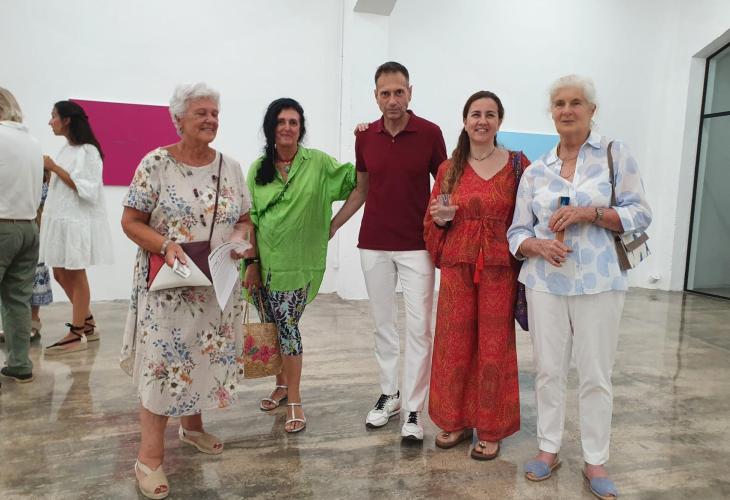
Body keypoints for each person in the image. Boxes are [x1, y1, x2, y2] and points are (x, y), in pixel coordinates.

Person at [507, 75, 651, 499]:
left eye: (575, 103)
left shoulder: (614, 154)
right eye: (559, 103)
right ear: (551, 112)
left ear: (591, 110)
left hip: (600, 282)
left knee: (595, 373)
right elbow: (516, 231)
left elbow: (640, 213)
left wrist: (591, 213)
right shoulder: (536, 170)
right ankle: (548, 448)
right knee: (548, 371)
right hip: (545, 283)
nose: (566, 110)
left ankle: (595, 459)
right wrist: (536, 245)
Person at [120, 83, 253, 499]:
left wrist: (241, 240)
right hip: (169, 285)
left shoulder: (231, 167)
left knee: (200, 356)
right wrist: (164, 244)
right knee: (163, 368)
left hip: (215, 284)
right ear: (178, 119)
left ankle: (192, 427)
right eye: (201, 113)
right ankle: (149, 459)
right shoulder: (155, 164)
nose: (211, 120)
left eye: (214, 113)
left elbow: (244, 217)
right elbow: (130, 221)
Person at [330, 61, 447, 441]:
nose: (393, 99)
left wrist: (447, 223)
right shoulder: (365, 137)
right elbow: (361, 189)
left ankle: (413, 408)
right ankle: (390, 394)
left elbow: (445, 186)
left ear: (410, 93)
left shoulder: (430, 133)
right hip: (374, 245)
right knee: (383, 325)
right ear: (376, 97)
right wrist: (332, 226)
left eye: (399, 92)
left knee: (419, 328)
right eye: (385, 93)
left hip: (417, 247)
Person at [424, 91, 528, 460]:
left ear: (499, 121)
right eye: (475, 114)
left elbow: (529, 216)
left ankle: (491, 427)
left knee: (494, 348)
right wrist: (441, 221)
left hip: (500, 270)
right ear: (465, 120)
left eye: (490, 114)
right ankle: (454, 420)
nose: (482, 120)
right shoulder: (448, 168)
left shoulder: (518, 165)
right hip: (458, 267)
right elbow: (431, 220)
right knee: (453, 346)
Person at [246, 97, 357, 433]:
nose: (287, 128)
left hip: (298, 266)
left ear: (301, 128)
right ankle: (281, 386)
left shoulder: (318, 164)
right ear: (271, 128)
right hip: (263, 265)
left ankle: (294, 398)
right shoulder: (258, 169)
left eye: (293, 122)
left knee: (288, 330)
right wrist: (251, 262)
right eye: (281, 122)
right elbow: (250, 219)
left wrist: (334, 224)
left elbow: (359, 182)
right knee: (271, 328)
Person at [41, 100, 113, 355]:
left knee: (76, 273)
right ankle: (88, 323)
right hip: (60, 219)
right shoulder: (66, 149)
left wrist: (54, 168)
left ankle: (77, 332)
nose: (50, 122)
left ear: (67, 120)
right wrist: (51, 171)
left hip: (76, 222)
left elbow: (87, 189)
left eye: (54, 116)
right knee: (60, 274)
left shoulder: (88, 151)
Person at [0, 87, 43, 385]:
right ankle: (19, 364)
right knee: (17, 300)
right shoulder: (33, 142)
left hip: (2, 225)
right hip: (28, 227)